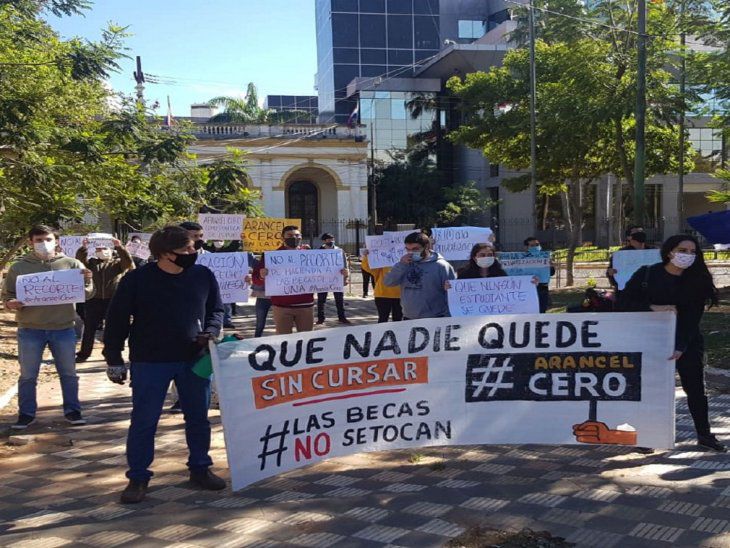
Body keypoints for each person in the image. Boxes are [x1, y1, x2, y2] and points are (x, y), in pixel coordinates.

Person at [103, 225, 226, 503]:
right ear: (164, 254)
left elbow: (216, 309)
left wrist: (212, 331)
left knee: (198, 418)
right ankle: (137, 477)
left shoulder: (203, 275)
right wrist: (114, 359)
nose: (192, 253)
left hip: (194, 360)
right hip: (150, 361)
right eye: (185, 249)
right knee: (144, 421)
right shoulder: (136, 280)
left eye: (193, 247)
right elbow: (117, 320)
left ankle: (200, 468)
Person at [619, 234, 725, 453]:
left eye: (692, 252)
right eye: (683, 250)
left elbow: (692, 317)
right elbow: (623, 302)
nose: (687, 256)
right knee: (650, 389)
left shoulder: (698, 279)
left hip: (686, 342)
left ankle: (704, 435)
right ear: (670, 251)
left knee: (695, 389)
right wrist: (652, 308)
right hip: (650, 340)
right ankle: (647, 437)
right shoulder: (648, 274)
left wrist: (680, 347)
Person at [2, 225, 95, 430]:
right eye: (38, 240)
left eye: (48, 239)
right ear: (30, 243)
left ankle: (73, 411)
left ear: (57, 241)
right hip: (29, 329)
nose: (44, 244)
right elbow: (7, 296)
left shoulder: (72, 264)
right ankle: (26, 414)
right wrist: (10, 303)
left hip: (63, 328)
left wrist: (87, 280)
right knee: (28, 375)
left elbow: (87, 294)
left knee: (68, 373)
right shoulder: (19, 267)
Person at [74, 238, 134, 362]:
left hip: (113, 300)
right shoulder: (91, 263)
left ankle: (113, 352)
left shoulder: (117, 264)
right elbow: (79, 261)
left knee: (114, 328)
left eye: (104, 248)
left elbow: (128, 263)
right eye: (98, 249)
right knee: (89, 328)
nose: (101, 251)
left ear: (111, 250)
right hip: (93, 300)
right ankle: (84, 353)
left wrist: (119, 247)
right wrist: (84, 248)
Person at [256, 225, 317, 334]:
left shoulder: (310, 255)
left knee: (307, 341)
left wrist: (341, 274)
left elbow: (324, 275)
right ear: (282, 237)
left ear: (301, 237)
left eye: (297, 235)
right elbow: (256, 280)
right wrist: (261, 275)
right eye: (290, 235)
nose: (294, 238)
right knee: (283, 341)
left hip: (305, 305)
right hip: (281, 307)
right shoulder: (271, 257)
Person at [383, 231, 456, 320]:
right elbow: (388, 282)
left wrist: (448, 318)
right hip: (408, 317)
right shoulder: (404, 263)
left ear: (426, 247)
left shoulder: (442, 266)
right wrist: (401, 265)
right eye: (408, 249)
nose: (411, 252)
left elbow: (451, 294)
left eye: (415, 249)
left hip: (435, 318)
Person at [316, 233, 350, 325]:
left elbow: (345, 264)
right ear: (324, 241)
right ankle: (320, 318)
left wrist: (346, 277)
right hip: (323, 279)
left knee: (339, 299)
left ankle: (342, 317)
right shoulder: (319, 251)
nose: (331, 241)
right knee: (321, 300)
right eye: (329, 239)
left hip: (337, 278)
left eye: (332, 239)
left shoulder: (339, 250)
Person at [361, 248, 402, 322]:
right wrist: (367, 257)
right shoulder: (381, 262)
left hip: (401, 295)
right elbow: (368, 267)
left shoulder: (405, 261)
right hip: (382, 294)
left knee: (398, 320)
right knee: (383, 319)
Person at [524, 237, 555, 313]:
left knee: (541, 310)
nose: (535, 247)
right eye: (532, 245)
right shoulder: (520, 259)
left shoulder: (545, 258)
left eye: (537, 244)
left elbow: (551, 273)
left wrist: (551, 266)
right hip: (527, 288)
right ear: (526, 247)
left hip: (542, 288)